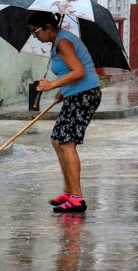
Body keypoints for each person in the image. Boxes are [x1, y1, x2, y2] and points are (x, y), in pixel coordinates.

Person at [29, 11, 101, 213]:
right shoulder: (57, 42)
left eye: (36, 32)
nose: (36, 37)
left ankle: (77, 198)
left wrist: (52, 85)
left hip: (84, 95)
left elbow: (80, 71)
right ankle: (69, 191)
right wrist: (63, 89)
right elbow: (70, 72)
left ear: (48, 28)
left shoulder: (63, 43)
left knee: (67, 143)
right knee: (56, 140)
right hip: (75, 94)